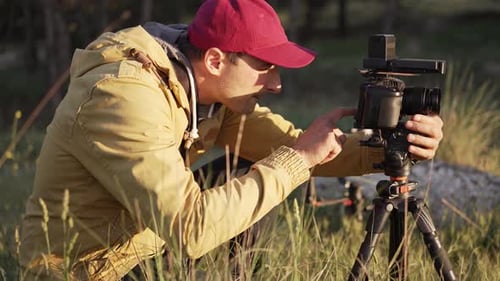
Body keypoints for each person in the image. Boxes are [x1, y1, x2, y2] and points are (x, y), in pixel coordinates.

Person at [19, 0, 444, 280]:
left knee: (256, 166)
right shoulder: (122, 96)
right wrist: (297, 158)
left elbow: (296, 145)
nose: (276, 84)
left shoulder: (206, 91)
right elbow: (192, 229)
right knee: (273, 170)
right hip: (86, 269)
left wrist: (396, 148)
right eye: (266, 68)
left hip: (144, 244)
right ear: (217, 59)